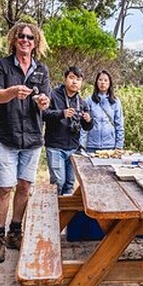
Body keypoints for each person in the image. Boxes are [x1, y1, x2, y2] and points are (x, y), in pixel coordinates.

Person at [0, 22, 52, 263]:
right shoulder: (3, 66)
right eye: (21, 37)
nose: (25, 40)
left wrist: (43, 102)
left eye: (30, 38)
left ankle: (16, 230)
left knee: (24, 187)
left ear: (36, 43)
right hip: (8, 136)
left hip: (33, 138)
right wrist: (12, 91)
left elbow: (44, 102)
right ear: (14, 40)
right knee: (5, 187)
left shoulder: (41, 70)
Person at [43, 66, 93, 195]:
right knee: (58, 182)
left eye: (78, 79)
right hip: (55, 146)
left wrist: (88, 120)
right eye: (71, 78)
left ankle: (65, 214)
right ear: (65, 79)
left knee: (69, 183)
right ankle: (54, 212)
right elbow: (43, 115)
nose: (74, 82)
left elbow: (87, 127)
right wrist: (62, 114)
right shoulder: (53, 95)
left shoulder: (81, 102)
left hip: (73, 148)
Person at [84, 70, 124, 152]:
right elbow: (84, 125)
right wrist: (81, 144)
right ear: (96, 82)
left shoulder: (115, 101)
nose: (103, 83)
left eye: (106, 80)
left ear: (110, 83)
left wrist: (119, 146)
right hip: (91, 145)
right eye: (100, 80)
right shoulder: (89, 100)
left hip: (110, 146)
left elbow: (119, 124)